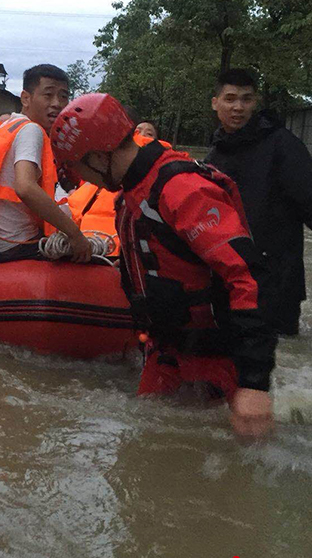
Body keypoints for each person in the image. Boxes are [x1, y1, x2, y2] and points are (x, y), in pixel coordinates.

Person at [51, 92, 277, 438]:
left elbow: (249, 275)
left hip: (216, 359)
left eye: (79, 169)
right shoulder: (133, 192)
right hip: (168, 353)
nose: (84, 180)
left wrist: (255, 384)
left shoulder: (181, 190)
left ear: (98, 157)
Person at [206, 68, 312, 336]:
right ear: (215, 103)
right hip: (230, 281)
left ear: (256, 103)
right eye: (230, 99)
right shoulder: (214, 156)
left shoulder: (282, 146)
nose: (238, 107)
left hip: (278, 284)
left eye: (246, 99)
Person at [0, 64, 91, 264]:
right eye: (48, 95)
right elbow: (25, 187)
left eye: (63, 96)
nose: (57, 103)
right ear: (26, 98)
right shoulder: (31, 130)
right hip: (12, 247)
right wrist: (75, 235)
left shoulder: (4, 128)